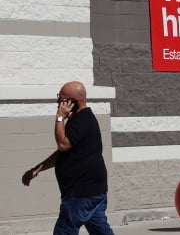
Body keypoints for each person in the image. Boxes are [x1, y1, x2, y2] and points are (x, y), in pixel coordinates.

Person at [22, 81, 114, 235]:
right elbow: (64, 151)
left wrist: (59, 118)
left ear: (74, 102)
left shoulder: (82, 120)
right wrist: (39, 168)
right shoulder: (81, 119)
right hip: (93, 190)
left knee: (64, 231)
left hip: (81, 192)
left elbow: (63, 144)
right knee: (100, 230)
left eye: (62, 99)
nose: (59, 103)